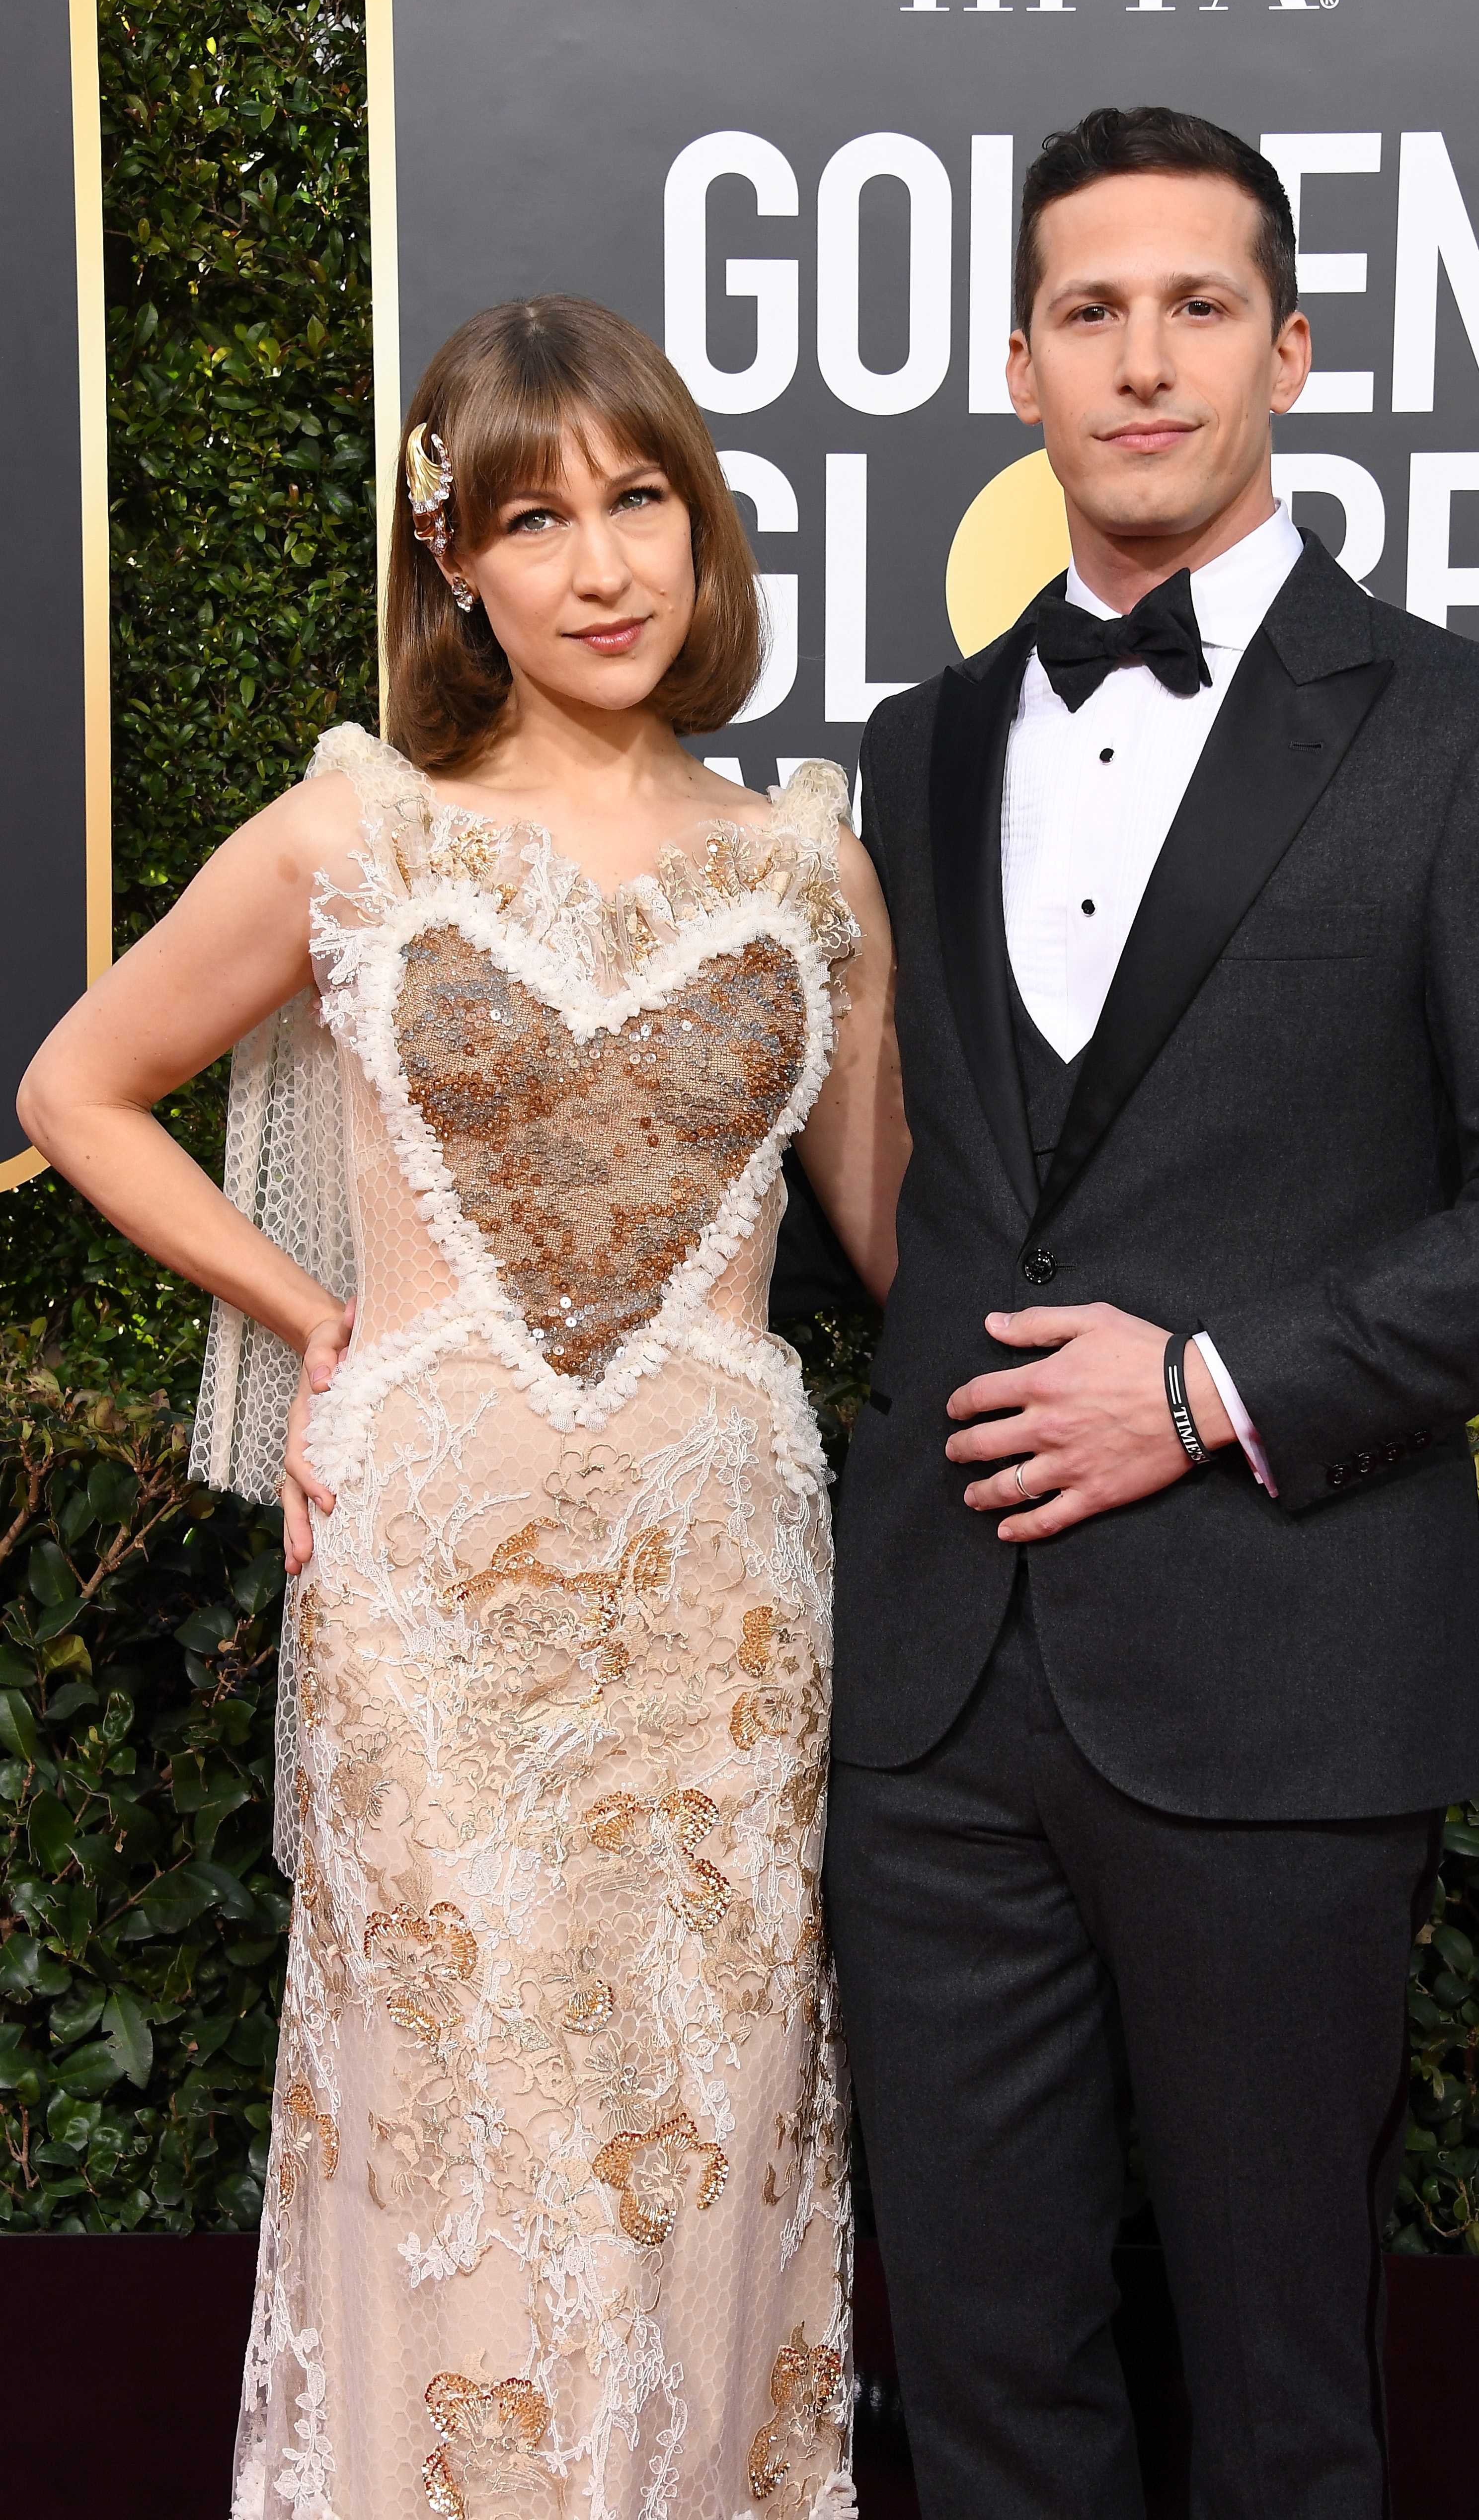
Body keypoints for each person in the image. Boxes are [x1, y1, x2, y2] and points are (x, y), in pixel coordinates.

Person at [823, 105, 1479, 2520]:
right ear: (1015, 365)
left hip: (1281, 1678)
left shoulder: (1469, 736)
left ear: (1286, 350)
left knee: (1283, 2409)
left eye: (1195, 306)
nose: (1141, 360)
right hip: (927, 1697)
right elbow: (918, 1190)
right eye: (1087, 311)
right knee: (979, 2396)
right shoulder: (915, 747)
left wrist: (1206, 1390)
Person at [20, 293, 906, 2520]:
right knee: (449, 2123)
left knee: (700, 2124)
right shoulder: (354, 838)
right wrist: (317, 1324)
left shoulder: (810, 865)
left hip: (720, 1616)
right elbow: (77, 1086)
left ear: (701, 531)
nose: (603, 566)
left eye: (641, 503)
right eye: (535, 521)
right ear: (453, 560)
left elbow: (902, 1233)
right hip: (427, 1605)